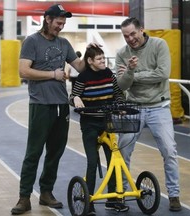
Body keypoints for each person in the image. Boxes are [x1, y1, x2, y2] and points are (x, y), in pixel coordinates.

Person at [11, 4, 91, 215]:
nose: (61, 27)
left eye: (63, 23)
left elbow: (80, 67)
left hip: (61, 106)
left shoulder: (64, 43)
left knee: (55, 152)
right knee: (34, 152)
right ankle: (24, 197)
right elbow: (23, 71)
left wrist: (91, 54)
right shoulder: (32, 41)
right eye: (58, 23)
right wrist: (52, 75)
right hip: (40, 105)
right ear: (47, 19)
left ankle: (46, 192)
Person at [115, 17, 182, 212]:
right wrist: (129, 74)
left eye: (133, 34)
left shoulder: (159, 45)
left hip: (158, 108)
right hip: (133, 107)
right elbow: (121, 85)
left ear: (141, 30)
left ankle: (174, 194)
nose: (130, 39)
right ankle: (121, 193)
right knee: (122, 152)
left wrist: (132, 74)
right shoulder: (122, 53)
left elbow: (162, 74)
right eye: (126, 36)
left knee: (169, 151)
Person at [69, 46, 129, 215]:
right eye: (100, 59)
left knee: (114, 160)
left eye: (104, 58)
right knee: (92, 161)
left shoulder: (109, 74)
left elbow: (117, 93)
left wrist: (121, 104)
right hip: (89, 125)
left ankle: (112, 200)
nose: (103, 61)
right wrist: (77, 98)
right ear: (90, 61)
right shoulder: (83, 77)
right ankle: (90, 201)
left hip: (107, 123)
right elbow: (73, 97)